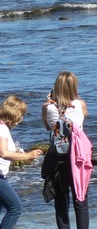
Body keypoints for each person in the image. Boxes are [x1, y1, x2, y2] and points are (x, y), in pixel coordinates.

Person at [41, 71, 90, 229]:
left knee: (61, 202)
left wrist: (49, 102)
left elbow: (47, 126)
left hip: (57, 157)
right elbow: (85, 115)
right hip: (77, 158)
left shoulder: (47, 108)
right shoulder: (79, 104)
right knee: (80, 200)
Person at [0, 95, 43, 228]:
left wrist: (18, 154)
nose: (21, 119)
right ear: (16, 114)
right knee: (15, 208)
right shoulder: (2, 129)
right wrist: (28, 156)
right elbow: (3, 153)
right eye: (21, 115)